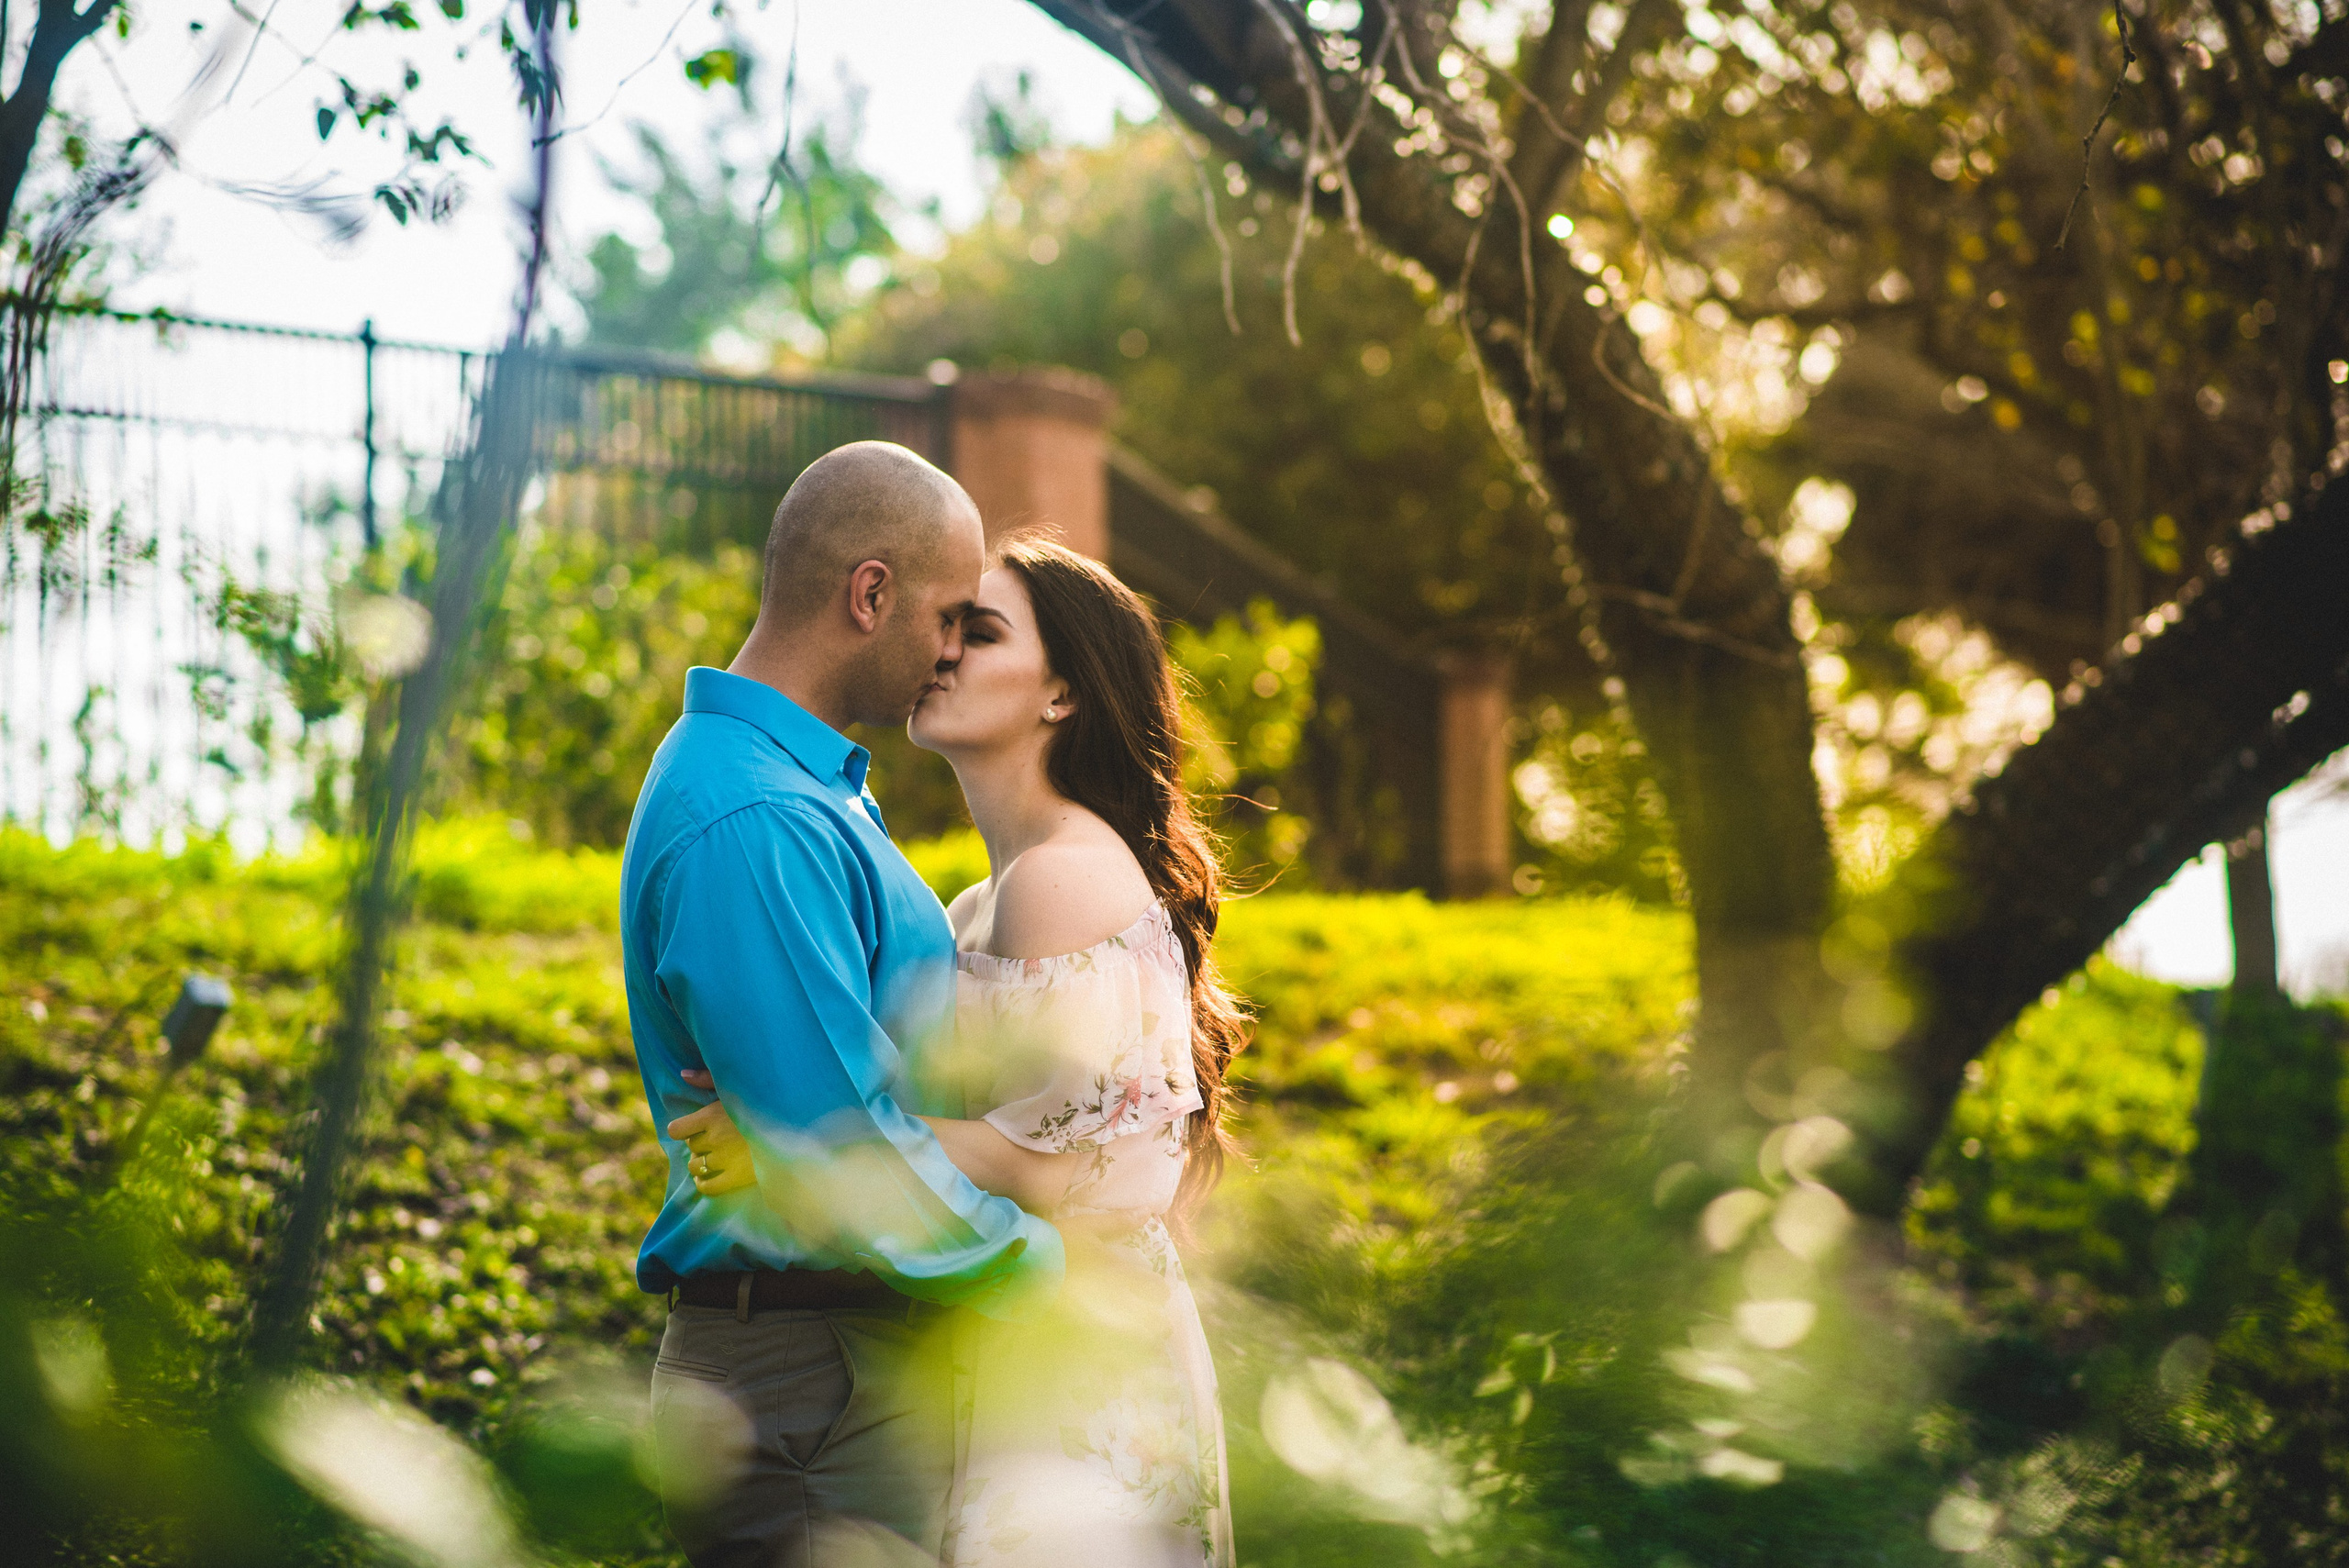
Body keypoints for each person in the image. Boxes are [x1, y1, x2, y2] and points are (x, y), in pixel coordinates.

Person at [674, 536, 1244, 1566]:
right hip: (996, 1338)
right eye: (946, 624)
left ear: (1061, 692)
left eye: (978, 632)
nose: (942, 652)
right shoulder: (977, 900)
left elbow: (1110, 1175)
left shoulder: (1061, 876)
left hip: (1074, 1365)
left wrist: (800, 1141)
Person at [619, 441, 1065, 1568]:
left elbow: (825, 1104)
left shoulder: (803, 793)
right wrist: (1050, 1264)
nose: (954, 649)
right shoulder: (755, 816)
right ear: (870, 593)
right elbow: (840, 1141)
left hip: (839, 1362)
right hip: (807, 1379)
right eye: (950, 615)